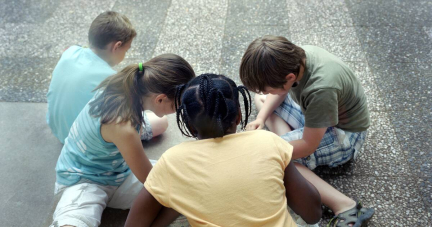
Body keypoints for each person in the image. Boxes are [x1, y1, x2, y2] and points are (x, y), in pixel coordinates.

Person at [125, 74, 322, 227]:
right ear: (238, 116)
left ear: (189, 126)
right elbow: (313, 214)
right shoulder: (268, 141)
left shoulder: (172, 161)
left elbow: (135, 224)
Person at [239, 35, 374, 226]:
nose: (265, 91)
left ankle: (345, 206)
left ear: (290, 78)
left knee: (278, 157)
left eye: (268, 87)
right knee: (261, 101)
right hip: (318, 116)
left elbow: (309, 145)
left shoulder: (321, 89)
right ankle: (288, 143)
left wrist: (270, 149)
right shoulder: (295, 58)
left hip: (345, 135)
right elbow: (280, 91)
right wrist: (261, 119)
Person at [50, 54, 195, 227]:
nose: (176, 111)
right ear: (160, 99)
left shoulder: (124, 86)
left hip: (118, 171)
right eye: (175, 106)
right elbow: (151, 180)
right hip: (83, 180)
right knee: (74, 223)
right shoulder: (123, 127)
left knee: (161, 126)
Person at [47, 11, 168, 144]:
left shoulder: (71, 51)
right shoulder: (110, 79)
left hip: (58, 130)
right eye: (126, 50)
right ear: (117, 46)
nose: (125, 55)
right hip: (82, 142)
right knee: (162, 122)